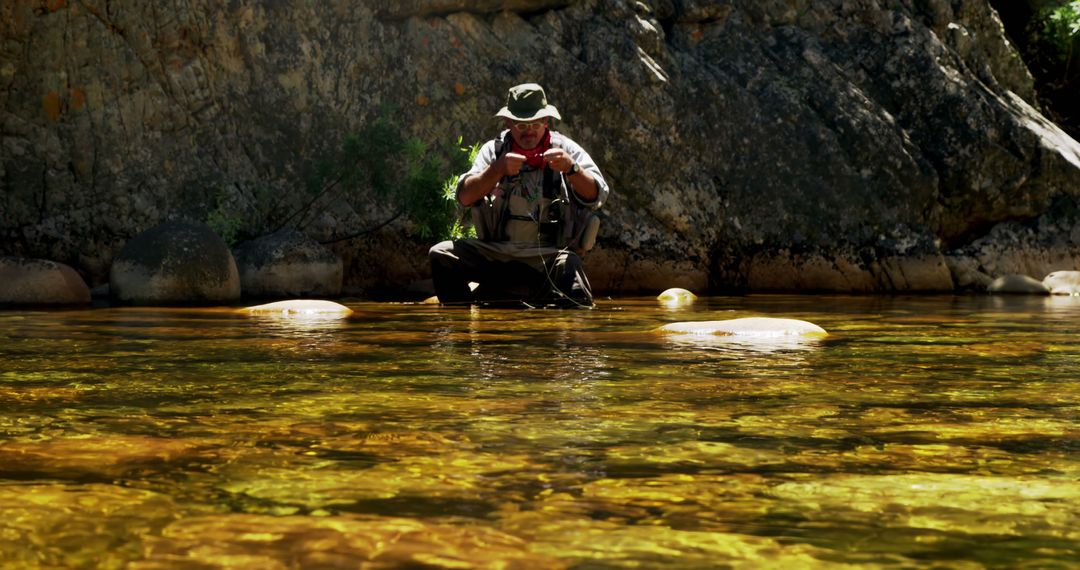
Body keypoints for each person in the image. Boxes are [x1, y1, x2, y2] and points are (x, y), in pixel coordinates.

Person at [428, 83, 610, 307]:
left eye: (535, 123)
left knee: (573, 277)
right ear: (508, 123)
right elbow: (464, 197)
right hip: (496, 254)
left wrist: (571, 169)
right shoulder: (494, 151)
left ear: (546, 122)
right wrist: (497, 170)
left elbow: (597, 196)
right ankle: (461, 330)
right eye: (521, 125)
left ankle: (571, 338)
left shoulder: (566, 150)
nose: (529, 131)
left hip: (548, 257)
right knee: (441, 255)